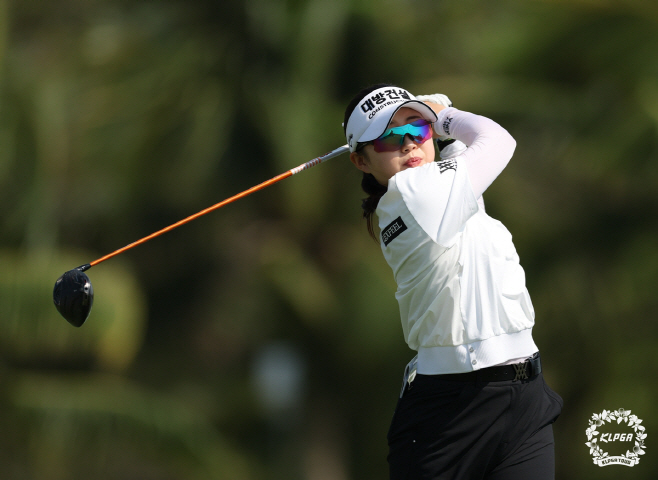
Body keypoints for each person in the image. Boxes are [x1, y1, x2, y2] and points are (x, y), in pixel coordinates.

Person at [343, 84, 563, 480]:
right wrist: (443, 116)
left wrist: (442, 131)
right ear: (361, 161)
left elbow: (462, 167)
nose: (409, 142)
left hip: (524, 399)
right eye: (390, 137)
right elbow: (497, 140)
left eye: (418, 128)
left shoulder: (439, 194)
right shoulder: (410, 194)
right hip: (448, 415)